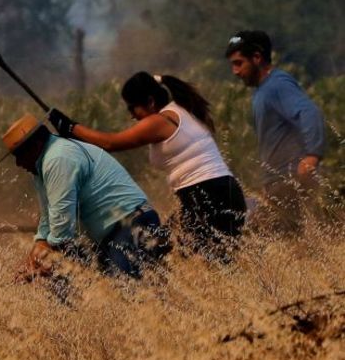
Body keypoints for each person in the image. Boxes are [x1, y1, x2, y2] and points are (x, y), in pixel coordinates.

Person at [47, 73, 246, 260]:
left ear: (150, 101)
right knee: (170, 249)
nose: (132, 116)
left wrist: (71, 127)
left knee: (183, 256)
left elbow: (111, 143)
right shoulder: (180, 109)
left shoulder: (159, 121)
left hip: (207, 196)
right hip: (219, 193)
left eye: (132, 108)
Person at [4, 113, 168, 281]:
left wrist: (41, 260)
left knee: (127, 291)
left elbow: (62, 225)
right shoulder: (40, 169)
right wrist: (34, 256)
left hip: (130, 224)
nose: (18, 163)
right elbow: (48, 218)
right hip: (113, 234)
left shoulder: (58, 158)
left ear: (35, 146)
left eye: (19, 156)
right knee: (110, 294)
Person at [225, 30, 325, 233]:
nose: (235, 71)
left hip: (289, 180)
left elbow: (309, 112)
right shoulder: (262, 90)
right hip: (277, 182)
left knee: (267, 240)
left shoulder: (276, 85)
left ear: (257, 58)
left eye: (239, 63)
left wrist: (312, 156)